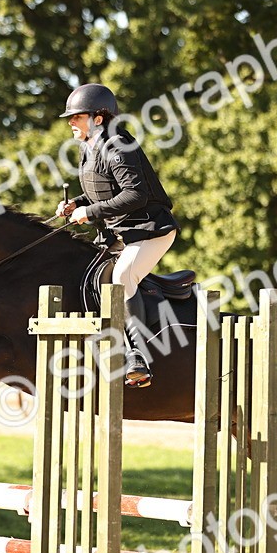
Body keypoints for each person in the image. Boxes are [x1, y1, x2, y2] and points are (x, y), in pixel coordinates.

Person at [56, 83, 178, 388]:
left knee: (123, 276)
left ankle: (138, 355)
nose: (71, 122)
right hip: (122, 234)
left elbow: (135, 195)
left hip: (149, 230)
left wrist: (91, 213)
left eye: (77, 117)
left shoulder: (119, 146)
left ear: (98, 118)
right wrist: (78, 204)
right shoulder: (89, 146)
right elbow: (102, 189)